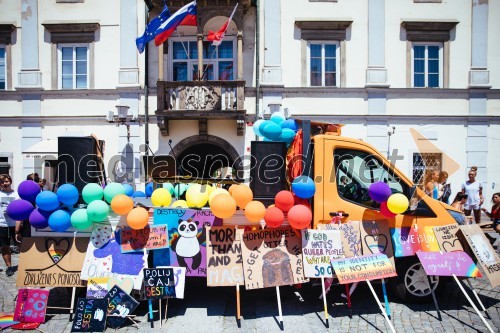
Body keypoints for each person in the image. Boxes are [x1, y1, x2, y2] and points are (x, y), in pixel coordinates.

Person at [0, 174, 22, 276]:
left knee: (21, 245)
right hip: (2, 225)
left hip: (15, 224)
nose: (4, 183)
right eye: (2, 182)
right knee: (5, 247)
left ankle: (25, 265)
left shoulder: (17, 195)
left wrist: (17, 229)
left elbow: (20, 212)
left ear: (10, 182)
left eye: (6, 181)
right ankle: (9, 267)